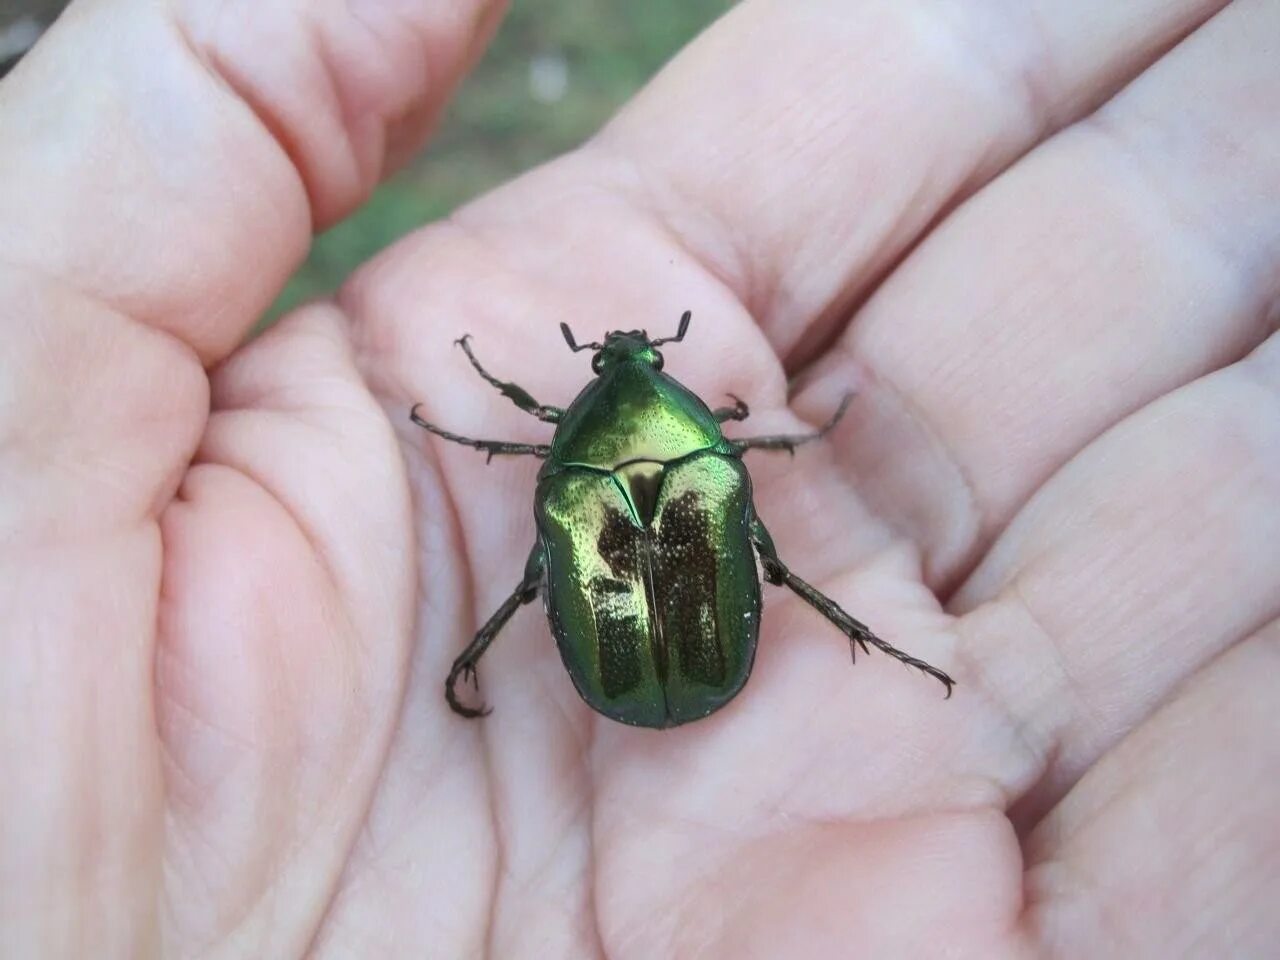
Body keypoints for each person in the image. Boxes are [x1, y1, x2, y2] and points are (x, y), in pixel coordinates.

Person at [2, 1, 1276, 956]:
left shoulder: (571, 467)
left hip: (631, 662)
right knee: (754, 553)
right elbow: (591, 445)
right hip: (679, 650)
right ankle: (851, 635)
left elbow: (524, 431)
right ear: (675, 409)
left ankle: (677, 634)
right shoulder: (688, 451)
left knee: (593, 566)